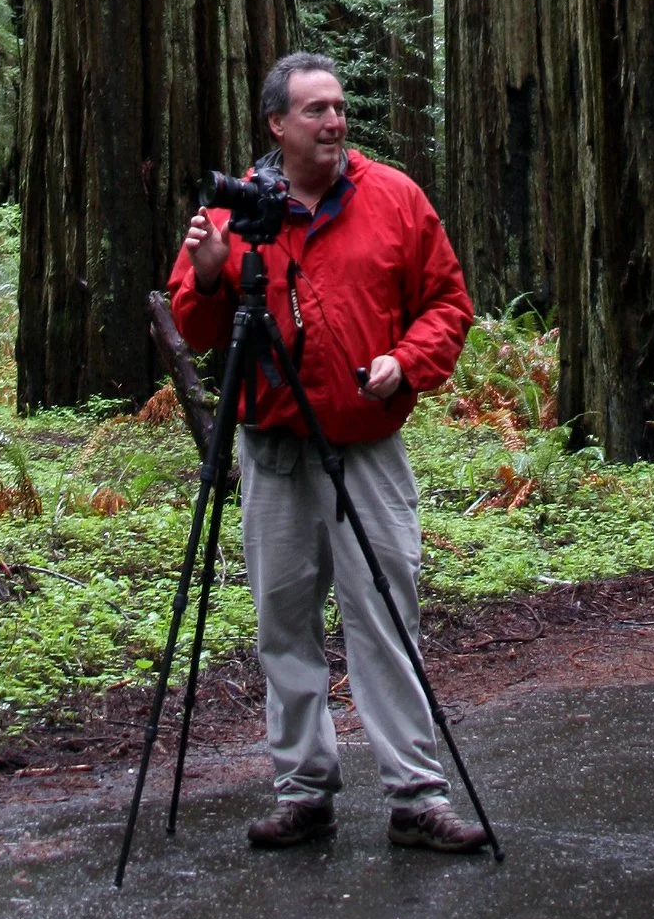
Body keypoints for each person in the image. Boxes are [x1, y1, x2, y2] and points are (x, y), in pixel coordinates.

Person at [168, 51, 486, 855]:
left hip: (366, 447)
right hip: (273, 451)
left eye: (340, 108)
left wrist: (404, 363)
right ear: (278, 123)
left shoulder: (394, 198)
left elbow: (449, 302)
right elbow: (198, 331)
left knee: (386, 615)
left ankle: (417, 796)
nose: (335, 122)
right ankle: (302, 790)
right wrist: (207, 277)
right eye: (316, 111)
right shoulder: (238, 209)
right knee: (283, 622)